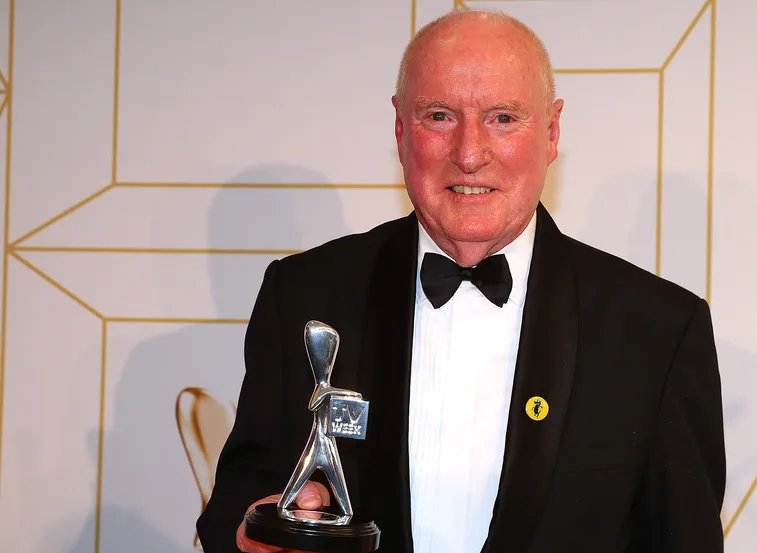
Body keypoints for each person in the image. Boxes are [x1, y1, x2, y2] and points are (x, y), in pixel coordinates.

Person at [196, 7, 726, 553]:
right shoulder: (305, 294)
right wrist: (251, 532)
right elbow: (235, 503)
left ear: (551, 131)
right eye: (440, 116)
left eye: (502, 118)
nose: (470, 154)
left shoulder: (658, 331)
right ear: (401, 129)